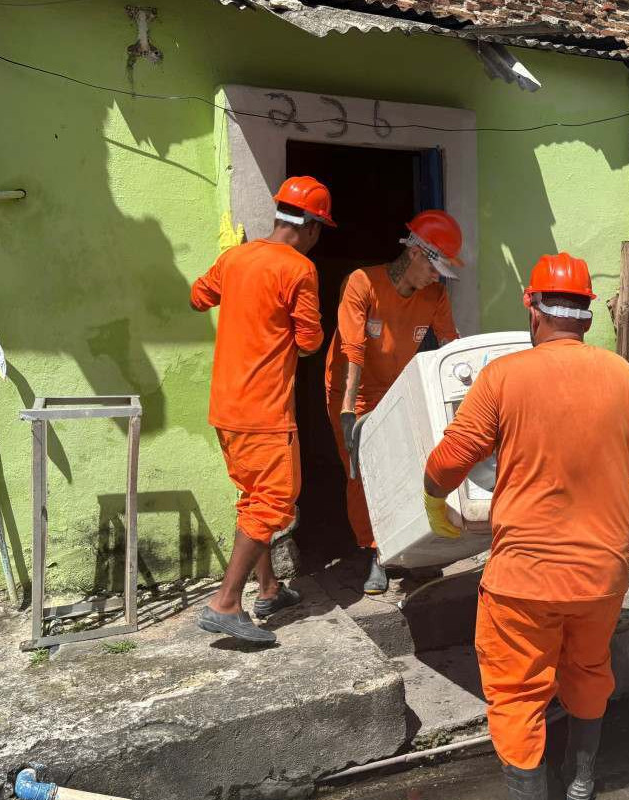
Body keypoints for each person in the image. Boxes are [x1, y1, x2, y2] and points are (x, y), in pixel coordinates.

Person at [423, 253, 629, 800]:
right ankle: (581, 781)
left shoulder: (503, 377)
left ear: (532, 308)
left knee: (516, 693)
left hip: (524, 580)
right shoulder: (625, 378)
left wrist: (434, 499)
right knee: (586, 668)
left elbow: (446, 464)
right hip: (603, 574)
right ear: (586, 317)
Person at [190, 176, 333, 644]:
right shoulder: (299, 270)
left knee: (254, 498)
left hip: (226, 407)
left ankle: (268, 588)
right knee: (274, 501)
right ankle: (226, 602)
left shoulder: (236, 257)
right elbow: (310, 343)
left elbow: (198, 297)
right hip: (264, 409)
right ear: (310, 228)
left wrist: (238, 274)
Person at [326, 210, 463, 594]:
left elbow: (450, 344)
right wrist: (349, 413)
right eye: (435, 268)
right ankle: (376, 553)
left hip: (396, 387)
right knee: (363, 473)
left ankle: (413, 550)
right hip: (351, 391)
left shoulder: (434, 295)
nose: (437, 278)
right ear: (417, 253)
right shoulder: (362, 283)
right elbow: (352, 349)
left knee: (408, 467)